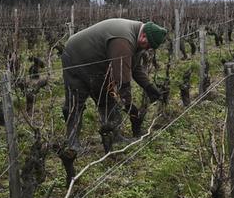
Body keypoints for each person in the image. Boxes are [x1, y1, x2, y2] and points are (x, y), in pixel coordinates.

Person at [61, 18, 168, 153]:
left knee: (106, 98)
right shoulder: (122, 40)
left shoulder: (137, 39)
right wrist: (128, 104)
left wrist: (149, 87)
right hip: (75, 56)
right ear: (144, 35)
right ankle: (72, 144)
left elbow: (134, 68)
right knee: (76, 101)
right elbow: (122, 77)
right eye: (148, 45)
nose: (148, 49)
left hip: (96, 63)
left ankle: (115, 136)